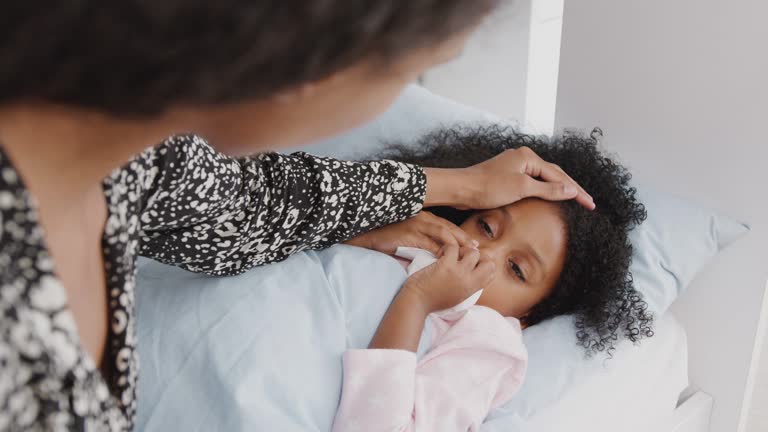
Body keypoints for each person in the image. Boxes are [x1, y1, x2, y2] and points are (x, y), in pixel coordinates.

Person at [0, 2, 594, 430]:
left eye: (517, 269)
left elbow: (255, 205)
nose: (485, 254)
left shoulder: (142, 164)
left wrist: (459, 189)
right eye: (399, 76)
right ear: (305, 72)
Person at [333, 126, 654, 431]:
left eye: (516, 269)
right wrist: (369, 235)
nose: (482, 251)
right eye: (486, 227)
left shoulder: (486, 340)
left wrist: (417, 300)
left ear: (528, 315)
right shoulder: (411, 237)